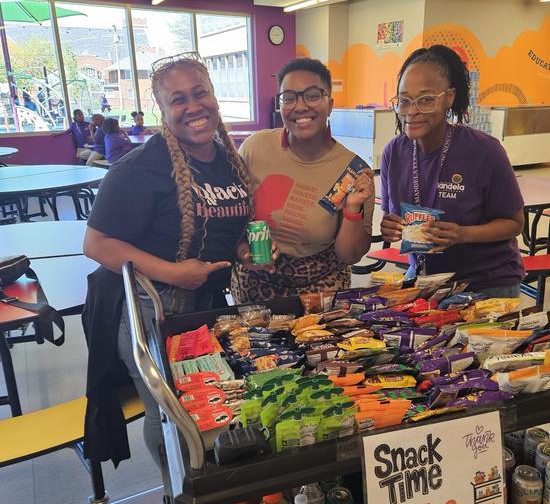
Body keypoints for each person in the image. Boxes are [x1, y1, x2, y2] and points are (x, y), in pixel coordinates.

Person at [82, 52, 252, 467]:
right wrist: (173, 273)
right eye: (178, 99)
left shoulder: (228, 159)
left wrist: (245, 251)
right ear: (162, 109)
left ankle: (211, 488)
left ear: (214, 96)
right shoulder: (140, 167)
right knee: (172, 414)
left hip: (206, 307)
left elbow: (226, 229)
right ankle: (180, 499)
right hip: (150, 308)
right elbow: (96, 243)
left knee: (209, 403)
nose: (193, 106)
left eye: (201, 93)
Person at [380, 45, 525, 297]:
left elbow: (514, 223)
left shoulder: (485, 151)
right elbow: (394, 217)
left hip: (485, 282)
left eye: (425, 99)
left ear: (449, 97)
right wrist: (391, 227)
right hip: (425, 280)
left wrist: (463, 234)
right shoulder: (394, 152)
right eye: (404, 101)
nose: (412, 111)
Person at [231, 57, 375, 303]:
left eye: (312, 95)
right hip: (254, 286)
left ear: (330, 104)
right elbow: (230, 216)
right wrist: (242, 250)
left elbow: (350, 255)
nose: (300, 106)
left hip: (319, 290)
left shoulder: (353, 170)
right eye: (289, 97)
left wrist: (352, 209)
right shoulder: (254, 148)